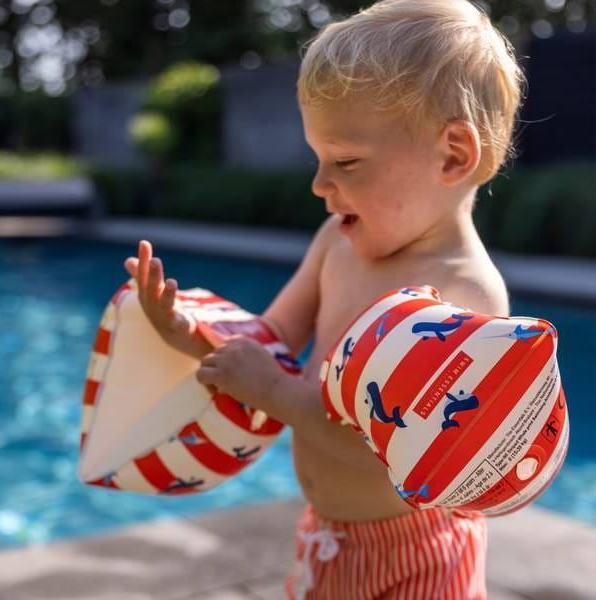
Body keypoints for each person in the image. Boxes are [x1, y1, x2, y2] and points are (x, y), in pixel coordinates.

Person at [124, 1, 524, 597]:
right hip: (327, 538)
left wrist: (275, 393)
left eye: (345, 161)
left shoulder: (464, 297)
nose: (319, 184)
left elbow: (403, 454)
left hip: (421, 555)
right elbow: (271, 338)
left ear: (452, 155)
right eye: (318, 158)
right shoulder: (336, 243)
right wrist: (189, 334)